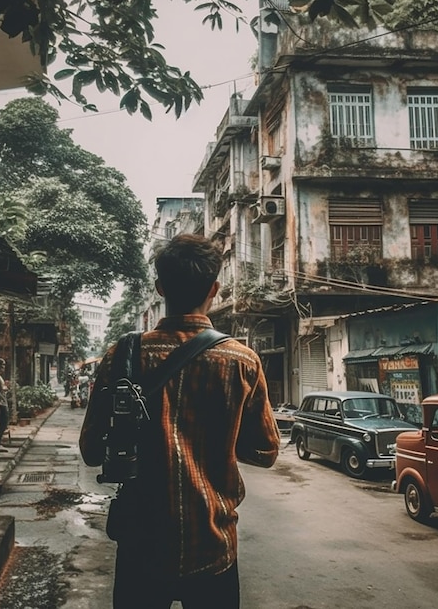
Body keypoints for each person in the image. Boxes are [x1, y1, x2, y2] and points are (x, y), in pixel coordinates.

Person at [79, 233, 280, 609]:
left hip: (140, 545)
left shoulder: (121, 356)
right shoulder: (242, 361)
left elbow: (91, 451)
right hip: (213, 546)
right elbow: (266, 451)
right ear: (215, 289)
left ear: (159, 288)